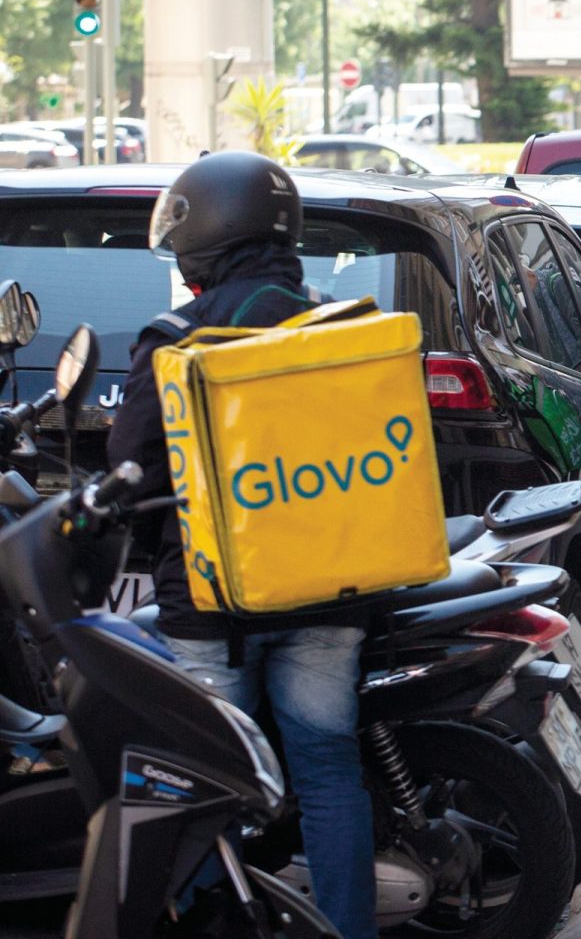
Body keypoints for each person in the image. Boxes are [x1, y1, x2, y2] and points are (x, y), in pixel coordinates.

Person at [107, 152, 377, 939]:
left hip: (209, 612)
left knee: (197, 784)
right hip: (331, 598)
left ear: (206, 241)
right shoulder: (341, 330)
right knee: (330, 774)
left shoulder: (177, 342)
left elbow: (131, 468)